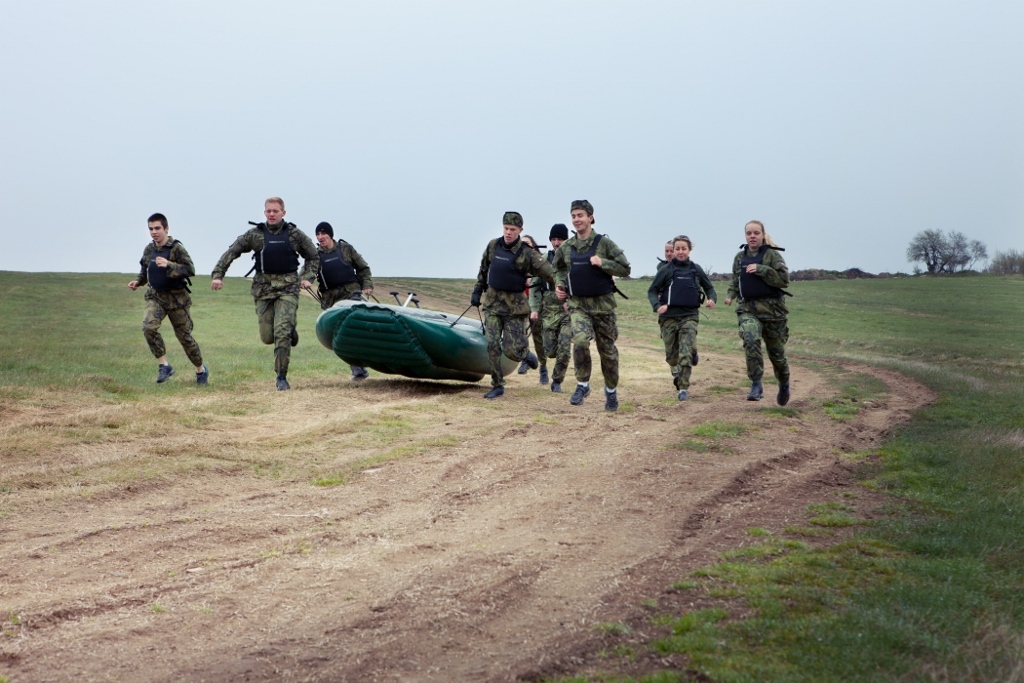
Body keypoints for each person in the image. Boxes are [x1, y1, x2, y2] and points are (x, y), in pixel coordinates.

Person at [210, 197, 319, 391]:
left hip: (288, 289)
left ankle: (281, 377)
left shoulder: (295, 235)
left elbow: (313, 257)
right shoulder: (255, 235)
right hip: (263, 290)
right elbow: (232, 252)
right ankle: (289, 331)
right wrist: (218, 275)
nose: (272, 214)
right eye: (268, 211)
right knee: (268, 337)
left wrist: (308, 276)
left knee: (281, 332)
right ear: (264, 212)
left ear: (283, 213)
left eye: (275, 211)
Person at [551, 200, 631, 411]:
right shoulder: (567, 247)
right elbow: (557, 268)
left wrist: (603, 263)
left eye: (581, 215)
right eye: (574, 216)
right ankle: (583, 384)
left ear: (590, 218)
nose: (577, 219)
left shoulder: (604, 244)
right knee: (579, 340)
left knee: (608, 353)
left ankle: (611, 391)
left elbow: (625, 268)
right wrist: (560, 285)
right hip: (578, 305)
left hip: (603, 307)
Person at [471, 212, 556, 399]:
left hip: (515, 308)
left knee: (512, 350)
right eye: (506, 228)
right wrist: (477, 290)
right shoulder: (493, 246)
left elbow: (550, 272)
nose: (508, 233)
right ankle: (497, 384)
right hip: (493, 303)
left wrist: (561, 288)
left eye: (513, 230)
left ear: (520, 230)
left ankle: (525, 354)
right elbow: (484, 269)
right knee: (492, 344)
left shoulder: (527, 253)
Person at [128, 213, 208, 385]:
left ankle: (201, 370)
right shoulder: (149, 249)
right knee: (148, 328)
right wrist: (138, 281)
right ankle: (164, 365)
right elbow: (144, 270)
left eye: (157, 228)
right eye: (151, 229)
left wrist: (169, 265)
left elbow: (190, 269)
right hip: (156, 297)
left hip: (177, 299)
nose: (154, 232)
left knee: (185, 338)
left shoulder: (176, 248)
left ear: (166, 228)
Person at [724, 220, 792, 405]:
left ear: (762, 235)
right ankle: (756, 383)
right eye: (749, 233)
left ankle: (784, 383)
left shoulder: (772, 255)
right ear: (745, 235)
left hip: (773, 313)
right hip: (748, 310)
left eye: (756, 233)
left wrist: (761, 269)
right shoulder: (740, 257)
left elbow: (784, 280)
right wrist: (730, 296)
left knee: (777, 355)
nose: (752, 236)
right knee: (751, 338)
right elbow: (735, 282)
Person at [646, 235, 716, 401]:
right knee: (672, 357)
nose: (680, 251)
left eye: (683, 248)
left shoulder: (696, 269)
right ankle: (691, 352)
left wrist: (711, 299)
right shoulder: (666, 270)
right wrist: (657, 306)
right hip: (668, 318)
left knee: (685, 354)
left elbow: (709, 288)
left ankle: (683, 388)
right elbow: (652, 291)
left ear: (689, 249)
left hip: (689, 316)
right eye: (677, 248)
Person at [307, 221, 373, 381]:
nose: (320, 237)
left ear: (330, 234)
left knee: (353, 329)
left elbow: (363, 268)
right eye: (318, 234)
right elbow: (309, 270)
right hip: (330, 299)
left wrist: (367, 285)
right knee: (341, 335)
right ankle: (358, 370)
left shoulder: (346, 249)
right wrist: (306, 280)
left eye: (323, 233)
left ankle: (367, 360)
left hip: (352, 294)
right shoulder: (315, 256)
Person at [531, 223, 573, 392]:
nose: (556, 243)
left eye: (560, 239)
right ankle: (548, 366)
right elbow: (534, 286)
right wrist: (534, 308)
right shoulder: (543, 260)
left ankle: (557, 381)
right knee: (550, 351)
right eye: (554, 239)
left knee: (564, 347)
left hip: (568, 309)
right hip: (548, 308)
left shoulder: (573, 260)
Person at [519, 234, 549, 384]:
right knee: (519, 331)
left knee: (538, 336)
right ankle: (525, 357)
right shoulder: (515, 259)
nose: (524, 245)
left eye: (527, 243)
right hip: (519, 302)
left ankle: (543, 367)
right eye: (522, 243)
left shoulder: (539, 261)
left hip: (535, 303)